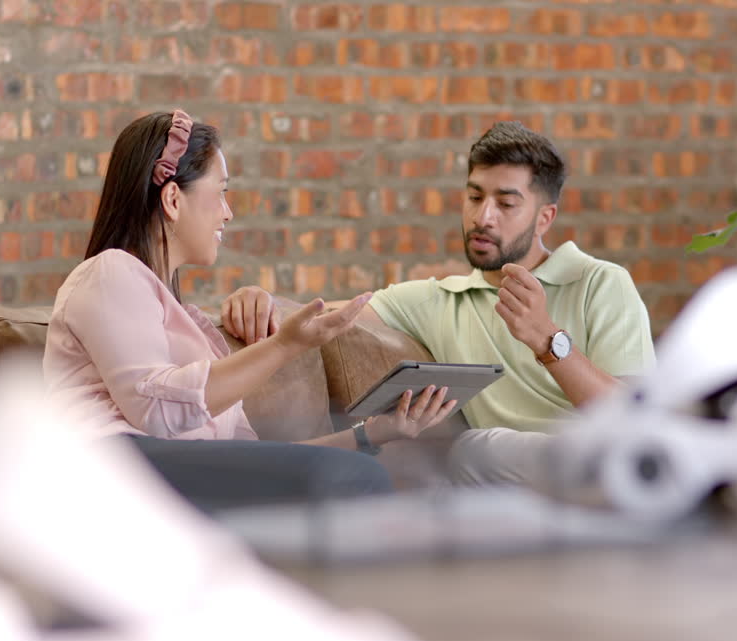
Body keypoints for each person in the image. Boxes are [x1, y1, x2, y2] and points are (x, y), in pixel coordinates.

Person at [42, 110, 458, 512]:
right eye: (221, 191)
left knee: (361, 471)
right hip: (115, 467)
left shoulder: (190, 326)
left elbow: (253, 458)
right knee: (355, 480)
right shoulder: (109, 272)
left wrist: (372, 433)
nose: (228, 211)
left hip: (168, 470)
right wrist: (285, 345)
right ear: (172, 198)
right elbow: (157, 411)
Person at [221, 121, 656, 488]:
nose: (483, 217)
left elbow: (635, 419)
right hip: (515, 479)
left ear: (545, 217)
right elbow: (327, 315)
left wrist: (548, 340)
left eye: (505, 203)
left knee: (485, 451)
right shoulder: (439, 300)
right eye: (474, 197)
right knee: (473, 451)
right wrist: (259, 299)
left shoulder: (601, 283)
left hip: (603, 456)